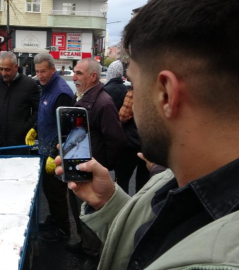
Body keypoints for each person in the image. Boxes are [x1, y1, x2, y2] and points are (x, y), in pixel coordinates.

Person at [55, 0, 239, 269]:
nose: (132, 101)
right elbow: (155, 242)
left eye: (134, 84)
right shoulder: (174, 181)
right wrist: (109, 204)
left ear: (166, 94)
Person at [67, 58, 126, 269]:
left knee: (91, 210)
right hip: (79, 166)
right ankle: (86, 244)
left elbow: (117, 139)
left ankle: (94, 254)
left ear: (93, 76)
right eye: (74, 72)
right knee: (78, 208)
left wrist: (104, 165)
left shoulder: (103, 102)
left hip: (91, 170)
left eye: (79, 73)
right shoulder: (84, 97)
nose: (74, 77)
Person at [25, 53, 73, 241]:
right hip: (46, 149)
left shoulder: (62, 93)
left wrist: (55, 154)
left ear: (53, 70)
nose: (40, 75)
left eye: (43, 71)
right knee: (49, 190)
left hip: (56, 154)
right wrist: (35, 129)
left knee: (57, 193)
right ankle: (54, 220)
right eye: (37, 71)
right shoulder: (45, 86)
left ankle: (63, 229)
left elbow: (67, 129)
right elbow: (44, 113)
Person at [0, 52, 39, 154]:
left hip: (18, 142)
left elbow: (38, 110)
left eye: (7, 69)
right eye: (1, 69)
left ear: (16, 67)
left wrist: (26, 127)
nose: (4, 73)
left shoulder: (30, 85)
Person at [115, 90, 150, 194]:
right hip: (149, 142)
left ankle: (125, 207)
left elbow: (123, 116)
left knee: (123, 178)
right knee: (144, 179)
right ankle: (140, 206)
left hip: (132, 141)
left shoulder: (134, 91)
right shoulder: (158, 90)